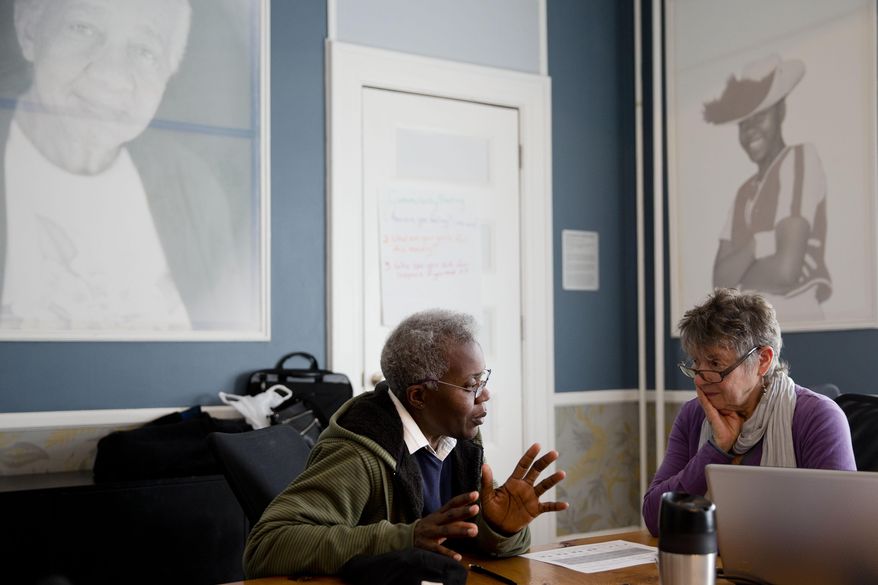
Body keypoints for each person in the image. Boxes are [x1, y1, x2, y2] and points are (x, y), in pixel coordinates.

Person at [244, 309, 569, 577]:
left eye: (483, 380)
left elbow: (467, 542)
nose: (484, 395)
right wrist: (406, 538)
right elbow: (267, 546)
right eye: (471, 385)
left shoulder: (457, 438)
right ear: (419, 396)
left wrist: (498, 528)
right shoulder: (359, 452)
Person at [1, 0, 249, 331]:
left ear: (168, 73)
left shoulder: (194, 189)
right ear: (29, 30)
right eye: (82, 28)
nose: (110, 76)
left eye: (145, 51)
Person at [642, 288, 855, 536]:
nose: (699, 380)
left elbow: (841, 529)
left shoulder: (818, 417)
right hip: (708, 568)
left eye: (715, 364)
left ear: (763, 360)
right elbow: (655, 518)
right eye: (696, 362)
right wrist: (715, 451)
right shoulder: (693, 415)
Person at [706, 54, 831, 323]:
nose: (750, 129)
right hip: (753, 334)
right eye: (743, 121)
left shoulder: (799, 158)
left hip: (796, 323)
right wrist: (757, 245)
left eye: (759, 115)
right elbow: (719, 281)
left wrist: (739, 278)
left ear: (780, 111)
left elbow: (786, 271)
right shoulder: (744, 192)